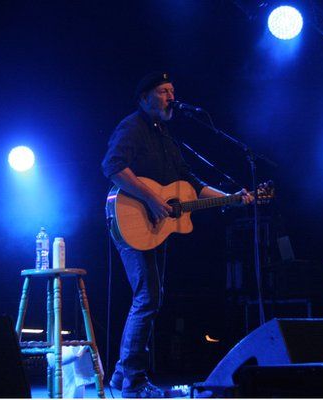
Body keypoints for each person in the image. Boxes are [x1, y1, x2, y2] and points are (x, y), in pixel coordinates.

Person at [101, 71, 253, 398]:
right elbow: (113, 167)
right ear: (144, 97)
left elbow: (193, 184)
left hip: (155, 228)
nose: (172, 96)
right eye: (164, 90)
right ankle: (134, 382)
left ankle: (120, 376)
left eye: (173, 90)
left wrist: (231, 197)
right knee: (148, 298)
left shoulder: (166, 137)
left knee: (151, 298)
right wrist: (153, 199)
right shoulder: (132, 127)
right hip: (131, 217)